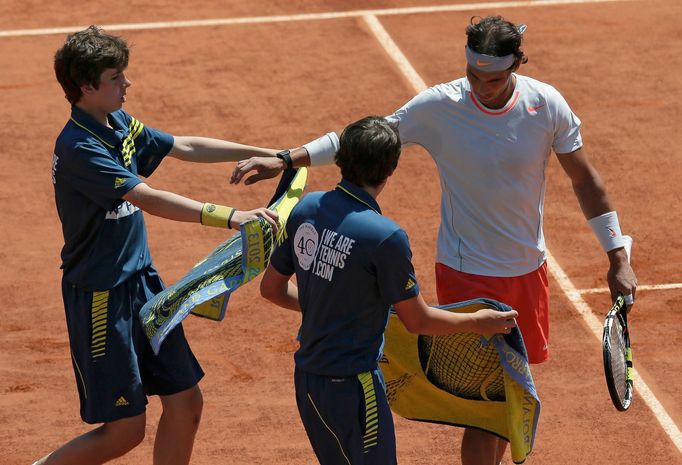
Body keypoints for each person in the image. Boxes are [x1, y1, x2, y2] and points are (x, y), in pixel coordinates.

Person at [232, 16, 638, 465]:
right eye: (474, 77)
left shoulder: (548, 105)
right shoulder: (439, 106)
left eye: (494, 79)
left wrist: (617, 254)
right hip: (466, 273)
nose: (482, 88)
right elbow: (361, 136)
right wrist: (285, 158)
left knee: (509, 401)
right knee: (485, 408)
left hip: (528, 271)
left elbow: (584, 180)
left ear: (517, 66)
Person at [36, 25, 279, 465]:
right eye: (116, 77)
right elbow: (145, 197)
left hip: (143, 285)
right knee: (125, 432)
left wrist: (274, 153)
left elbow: (182, 145)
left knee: (186, 404)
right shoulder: (79, 146)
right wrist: (232, 216)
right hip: (101, 295)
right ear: (87, 86)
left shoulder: (117, 123)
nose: (126, 84)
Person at [259, 115, 519, 465]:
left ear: (341, 160)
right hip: (354, 386)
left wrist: (328, 309)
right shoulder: (385, 237)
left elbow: (272, 289)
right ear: (391, 169)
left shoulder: (307, 207)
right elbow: (417, 320)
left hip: (307, 380)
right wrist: (477, 322)